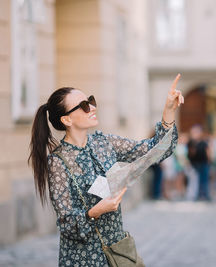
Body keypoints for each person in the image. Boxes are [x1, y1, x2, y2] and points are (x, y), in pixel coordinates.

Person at [27, 74, 183, 266]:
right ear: (67, 120)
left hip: (118, 253)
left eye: (90, 101)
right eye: (84, 106)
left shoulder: (104, 142)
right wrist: (95, 211)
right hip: (82, 258)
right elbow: (67, 222)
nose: (92, 107)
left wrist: (168, 111)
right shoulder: (58, 162)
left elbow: (155, 151)